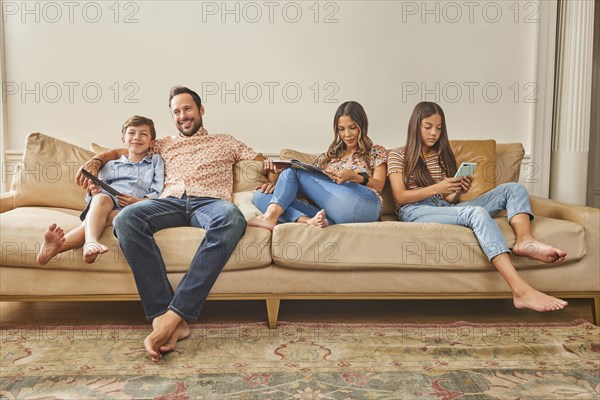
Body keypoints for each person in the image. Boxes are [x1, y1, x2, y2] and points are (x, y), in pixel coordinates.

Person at [76, 86, 271, 363]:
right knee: (127, 218)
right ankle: (162, 315)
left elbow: (261, 160)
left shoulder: (225, 141)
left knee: (232, 218)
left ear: (201, 110)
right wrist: (95, 161)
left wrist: (273, 173)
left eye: (187, 109)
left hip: (210, 202)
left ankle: (172, 316)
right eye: (176, 112)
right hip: (169, 202)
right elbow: (125, 147)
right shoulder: (164, 142)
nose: (183, 116)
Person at [388, 101, 568, 312]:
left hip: (442, 206)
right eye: (428, 127)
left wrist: (458, 190)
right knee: (477, 212)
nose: (434, 133)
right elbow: (400, 197)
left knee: (513, 189)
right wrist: (439, 187)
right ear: (415, 126)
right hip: (415, 210)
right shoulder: (398, 155)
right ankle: (520, 291)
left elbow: (449, 200)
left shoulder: (443, 155)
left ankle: (525, 240)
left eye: (439, 127)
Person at [37, 115, 164, 265]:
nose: (137, 137)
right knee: (102, 199)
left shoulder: (155, 162)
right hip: (106, 200)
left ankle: (56, 248)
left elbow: (158, 190)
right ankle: (90, 243)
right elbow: (94, 192)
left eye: (143, 134)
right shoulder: (110, 164)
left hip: (131, 206)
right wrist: (94, 190)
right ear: (123, 140)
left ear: (152, 142)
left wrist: (138, 202)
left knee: (116, 217)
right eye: (131, 133)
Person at [248, 101, 387, 230]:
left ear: (362, 126)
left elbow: (379, 185)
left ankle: (269, 217)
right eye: (341, 129)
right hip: (333, 212)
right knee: (260, 196)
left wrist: (356, 177)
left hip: (365, 205)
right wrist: (279, 186)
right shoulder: (328, 157)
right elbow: (309, 188)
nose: (347, 134)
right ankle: (310, 221)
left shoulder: (375, 151)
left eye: (352, 128)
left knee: (293, 171)